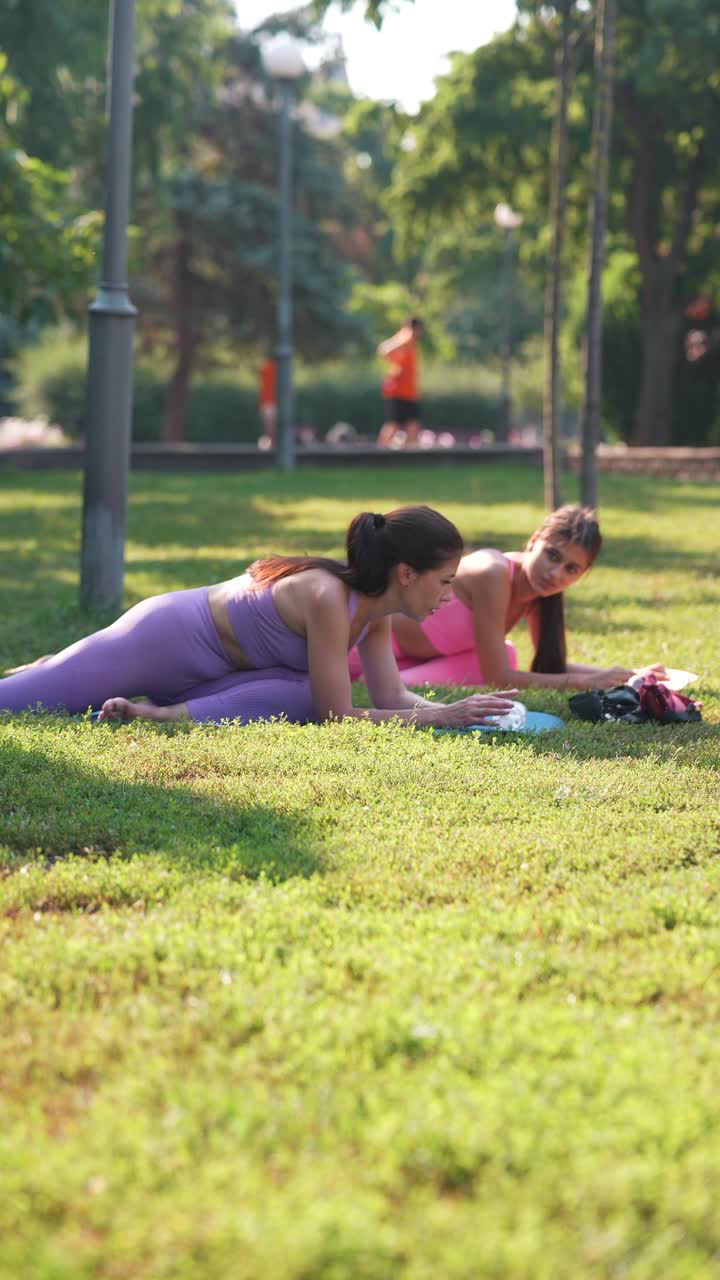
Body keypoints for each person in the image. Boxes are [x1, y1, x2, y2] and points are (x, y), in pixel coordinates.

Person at [0, 507, 518, 728]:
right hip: (162, 639)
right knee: (17, 704)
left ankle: (160, 715)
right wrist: (439, 717)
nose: (449, 596)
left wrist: (462, 711)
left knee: (301, 693)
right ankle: (56, 669)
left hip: (213, 678)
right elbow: (340, 719)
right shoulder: (328, 598)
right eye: (444, 581)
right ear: (407, 572)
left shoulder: (375, 612)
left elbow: (391, 698)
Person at [349, 504, 667, 692]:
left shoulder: (540, 594)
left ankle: (380, 679)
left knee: (508, 653)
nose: (556, 573)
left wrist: (627, 676)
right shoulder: (493, 573)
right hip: (370, 641)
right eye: (551, 555)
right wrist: (586, 683)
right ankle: (375, 678)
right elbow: (497, 677)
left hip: (417, 657)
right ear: (533, 541)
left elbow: (549, 665)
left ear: (582, 575)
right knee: (504, 661)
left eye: (571, 568)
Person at [377, 317, 424, 449]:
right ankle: (380, 452)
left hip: (408, 392)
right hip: (399, 391)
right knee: (394, 424)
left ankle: (410, 452)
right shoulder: (406, 337)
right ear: (416, 328)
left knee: (412, 424)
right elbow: (383, 349)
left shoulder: (409, 340)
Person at [258, 356, 277, 450]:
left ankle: (273, 444)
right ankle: (272, 444)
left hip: (270, 402)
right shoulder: (269, 368)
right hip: (270, 402)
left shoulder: (266, 367)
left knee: (271, 427)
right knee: (270, 427)